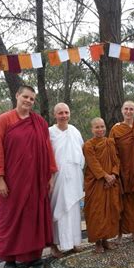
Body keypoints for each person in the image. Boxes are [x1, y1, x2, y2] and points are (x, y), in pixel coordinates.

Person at [0, 85, 57, 268]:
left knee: (33, 217)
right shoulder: (5, 120)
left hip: (36, 180)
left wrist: (49, 176)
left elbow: (47, 150)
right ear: (17, 96)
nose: (28, 101)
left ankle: (33, 255)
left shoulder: (40, 122)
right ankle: (9, 258)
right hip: (12, 181)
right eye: (25, 97)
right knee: (9, 217)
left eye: (32, 99)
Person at [109, 101, 134, 242]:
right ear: (122, 111)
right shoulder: (116, 129)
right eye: (126, 109)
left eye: (131, 109)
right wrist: (115, 171)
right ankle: (119, 234)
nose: (128, 112)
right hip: (123, 172)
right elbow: (112, 152)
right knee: (122, 204)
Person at [49, 103, 84, 257]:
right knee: (58, 209)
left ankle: (73, 242)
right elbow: (46, 156)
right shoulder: (50, 132)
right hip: (57, 177)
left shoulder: (75, 131)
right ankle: (55, 245)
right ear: (55, 115)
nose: (63, 115)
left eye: (66, 112)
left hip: (75, 176)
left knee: (73, 209)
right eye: (60, 113)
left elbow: (82, 152)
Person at [83, 118, 122, 253]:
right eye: (97, 127)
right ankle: (97, 242)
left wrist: (114, 175)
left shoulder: (110, 142)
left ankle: (106, 240)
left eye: (102, 127)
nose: (100, 130)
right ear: (92, 129)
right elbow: (93, 163)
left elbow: (117, 161)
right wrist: (105, 176)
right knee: (96, 212)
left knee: (111, 211)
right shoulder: (88, 145)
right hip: (96, 183)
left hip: (111, 182)